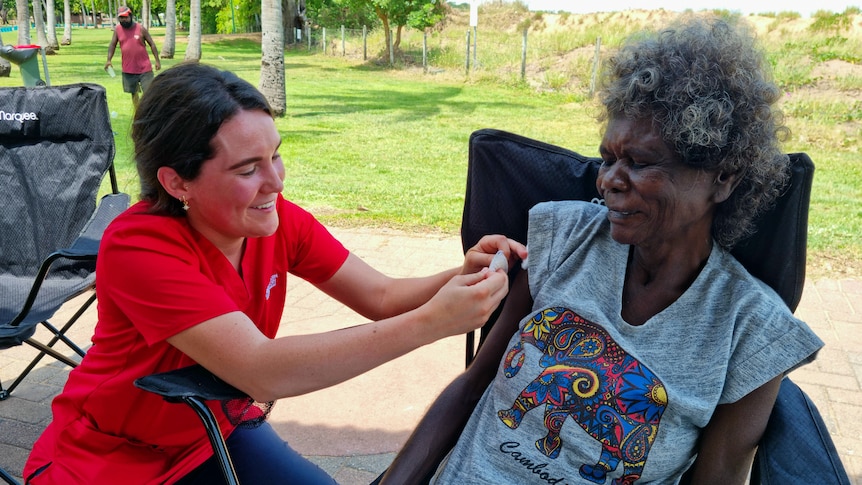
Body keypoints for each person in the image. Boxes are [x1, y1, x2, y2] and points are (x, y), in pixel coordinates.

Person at [23, 61, 527, 484]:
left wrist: (459, 275)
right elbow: (261, 369)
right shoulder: (140, 247)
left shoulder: (275, 222)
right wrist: (431, 323)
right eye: (248, 169)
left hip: (212, 430)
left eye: (276, 155)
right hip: (112, 457)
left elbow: (381, 295)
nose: (275, 182)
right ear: (177, 182)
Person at [379, 16, 824, 485]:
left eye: (640, 163)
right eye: (609, 158)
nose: (608, 180)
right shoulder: (565, 237)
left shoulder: (752, 330)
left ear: (723, 177)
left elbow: (717, 477)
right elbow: (474, 385)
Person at [105, 6, 161, 108]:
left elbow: (152, 44)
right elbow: (112, 44)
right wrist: (109, 60)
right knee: (133, 94)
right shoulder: (117, 30)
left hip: (145, 68)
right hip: (128, 68)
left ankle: (149, 111)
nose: (123, 20)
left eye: (125, 17)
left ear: (131, 16)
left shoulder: (140, 28)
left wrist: (157, 61)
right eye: (121, 17)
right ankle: (137, 113)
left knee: (149, 93)